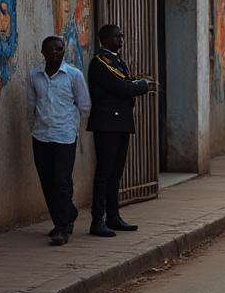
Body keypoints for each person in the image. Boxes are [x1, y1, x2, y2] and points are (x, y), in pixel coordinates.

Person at [87, 24, 152, 238]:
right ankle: (98, 220)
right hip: (107, 124)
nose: (121, 39)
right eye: (116, 36)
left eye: (122, 36)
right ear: (104, 38)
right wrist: (143, 86)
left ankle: (113, 216)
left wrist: (136, 85)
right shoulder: (99, 64)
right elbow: (120, 87)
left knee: (116, 173)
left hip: (120, 123)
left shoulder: (117, 61)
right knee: (104, 173)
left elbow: (124, 84)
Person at [27, 36, 91, 246]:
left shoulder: (74, 75)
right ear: (43, 52)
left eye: (60, 49)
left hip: (65, 136)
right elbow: (31, 105)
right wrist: (34, 127)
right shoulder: (35, 75)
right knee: (47, 181)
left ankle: (63, 228)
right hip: (41, 135)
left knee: (61, 181)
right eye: (52, 49)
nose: (57, 52)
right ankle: (66, 214)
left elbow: (84, 105)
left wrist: (74, 129)